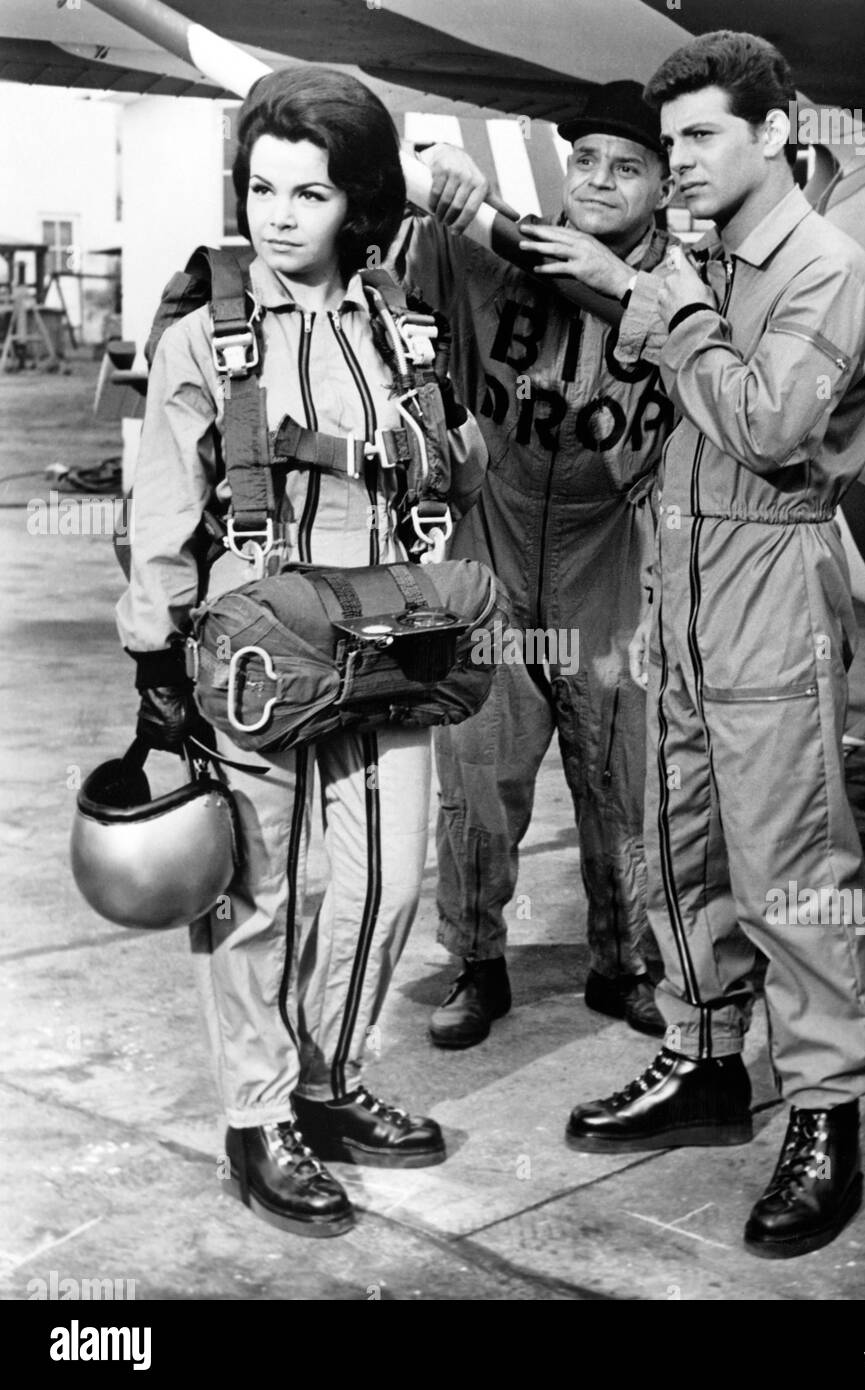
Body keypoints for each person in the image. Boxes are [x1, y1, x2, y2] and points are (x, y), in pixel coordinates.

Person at [116, 66, 487, 1237]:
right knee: (253, 891)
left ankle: (327, 1082)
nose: (279, 215)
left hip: (387, 633)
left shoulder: (404, 326)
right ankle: (257, 1114)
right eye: (262, 187)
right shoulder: (202, 338)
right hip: (257, 645)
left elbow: (457, 462)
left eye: (310, 193)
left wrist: (439, 433)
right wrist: (156, 663)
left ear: (358, 201)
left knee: (384, 885)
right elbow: (161, 513)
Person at [561, 32, 865, 1259]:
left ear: (775, 127)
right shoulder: (703, 264)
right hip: (685, 578)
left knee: (790, 863)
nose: (677, 161)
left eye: (700, 135)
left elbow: (763, 428)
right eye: (670, 142)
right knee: (681, 837)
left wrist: (677, 317)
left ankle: (823, 1114)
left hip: (770, 577)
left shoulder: (825, 272)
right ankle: (701, 1057)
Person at [392, 81, 677, 1049]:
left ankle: (623, 959)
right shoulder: (502, 258)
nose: (598, 181)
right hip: (495, 539)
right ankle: (476, 963)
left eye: (626, 167)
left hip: (609, 552)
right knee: (475, 767)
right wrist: (440, 184)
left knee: (619, 777)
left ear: (664, 187)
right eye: (585, 160)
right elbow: (411, 270)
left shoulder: (679, 293)